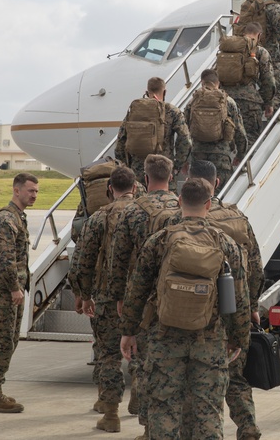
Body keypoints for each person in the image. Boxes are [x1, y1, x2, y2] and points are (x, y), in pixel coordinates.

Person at [119, 178, 250, 440]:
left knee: (164, 407)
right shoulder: (226, 244)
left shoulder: (158, 241)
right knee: (208, 410)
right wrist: (238, 339)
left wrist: (128, 332)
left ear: (179, 202)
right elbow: (240, 298)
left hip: (165, 338)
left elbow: (136, 291)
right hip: (209, 339)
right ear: (209, 205)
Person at [175, 159, 265, 440]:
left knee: (192, 382)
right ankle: (248, 426)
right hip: (230, 310)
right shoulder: (237, 217)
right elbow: (255, 266)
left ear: (188, 183)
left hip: (187, 313)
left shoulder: (180, 219)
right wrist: (250, 307)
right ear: (216, 183)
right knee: (235, 376)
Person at [106, 154, 181, 429]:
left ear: (145, 179)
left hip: (144, 301)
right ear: (170, 177)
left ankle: (151, 428)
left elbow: (119, 260)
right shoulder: (182, 208)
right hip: (179, 298)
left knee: (150, 366)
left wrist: (120, 299)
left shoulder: (132, 211)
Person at [68, 166, 138, 433]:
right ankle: (138, 401)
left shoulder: (99, 217)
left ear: (110, 189)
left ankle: (110, 414)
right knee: (139, 352)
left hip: (107, 298)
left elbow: (83, 260)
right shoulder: (146, 215)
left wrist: (82, 294)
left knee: (108, 355)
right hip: (140, 299)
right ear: (135, 187)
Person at [0, 172, 39, 413]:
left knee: (9, 340)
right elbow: (5, 260)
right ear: (16, 190)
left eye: (36, 191)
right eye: (30, 190)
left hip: (10, 290)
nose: (34, 194)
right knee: (3, 342)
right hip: (5, 291)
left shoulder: (17, 217)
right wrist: (15, 288)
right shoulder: (7, 219)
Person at [115, 76, 192, 188]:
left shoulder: (135, 110)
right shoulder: (172, 111)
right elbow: (185, 140)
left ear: (146, 92)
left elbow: (120, 142)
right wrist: (176, 167)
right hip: (163, 172)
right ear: (164, 92)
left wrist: (128, 166)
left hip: (138, 173)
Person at [184, 69, 248, 188]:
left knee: (199, 195)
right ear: (218, 82)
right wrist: (241, 155)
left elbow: (184, 133)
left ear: (202, 82)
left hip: (198, 156)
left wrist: (183, 160)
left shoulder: (192, 102)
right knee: (220, 197)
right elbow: (240, 132)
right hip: (221, 157)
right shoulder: (227, 102)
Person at [222, 22, 275, 148]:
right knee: (250, 139)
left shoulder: (228, 50)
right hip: (249, 103)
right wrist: (268, 103)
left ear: (243, 34)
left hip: (226, 100)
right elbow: (269, 80)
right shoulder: (260, 51)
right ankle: (247, 166)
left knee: (229, 137)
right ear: (259, 35)